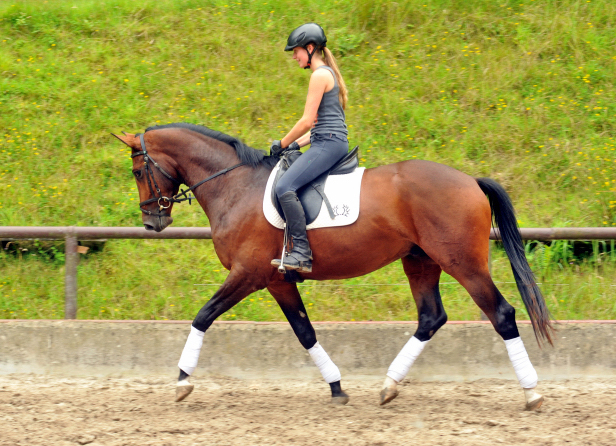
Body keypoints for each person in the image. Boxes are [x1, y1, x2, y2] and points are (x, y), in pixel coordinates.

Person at [270, 23, 350, 274]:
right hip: (328, 140)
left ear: (311, 48)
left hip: (328, 144)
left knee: (284, 187)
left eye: (296, 51)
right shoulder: (327, 73)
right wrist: (295, 144)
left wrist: (281, 143)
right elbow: (317, 125)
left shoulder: (319, 75)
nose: (294, 56)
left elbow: (306, 121)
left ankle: (301, 253)